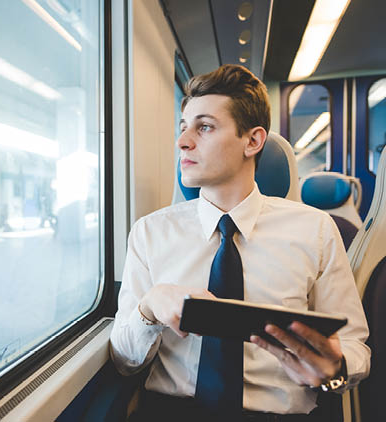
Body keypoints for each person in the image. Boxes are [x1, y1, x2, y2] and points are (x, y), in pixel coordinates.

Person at [109, 64, 370, 421]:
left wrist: (334, 370)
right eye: (183, 127)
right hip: (173, 412)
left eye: (204, 127)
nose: (183, 141)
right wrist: (149, 308)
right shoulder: (149, 233)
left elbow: (355, 348)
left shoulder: (316, 231)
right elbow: (124, 362)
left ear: (253, 141)